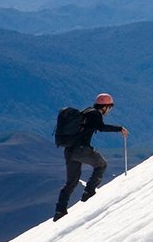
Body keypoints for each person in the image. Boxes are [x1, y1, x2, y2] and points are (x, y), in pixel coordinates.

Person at [54, 93, 128, 221]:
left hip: (69, 151)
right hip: (81, 150)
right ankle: (89, 192)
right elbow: (101, 127)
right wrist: (119, 129)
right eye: (109, 107)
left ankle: (60, 210)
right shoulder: (95, 114)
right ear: (105, 106)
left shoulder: (87, 111)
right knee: (101, 165)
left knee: (71, 182)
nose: (109, 110)